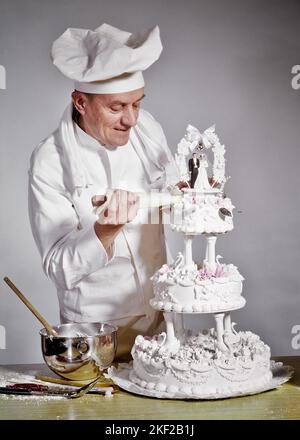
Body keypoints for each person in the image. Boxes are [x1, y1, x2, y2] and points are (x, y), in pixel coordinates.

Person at [28, 24, 179, 361]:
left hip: (159, 326)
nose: (131, 120)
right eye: (116, 108)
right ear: (80, 102)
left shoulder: (148, 130)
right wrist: (104, 232)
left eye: (137, 104)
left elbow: (173, 199)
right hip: (95, 335)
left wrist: (190, 196)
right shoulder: (50, 161)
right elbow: (59, 268)